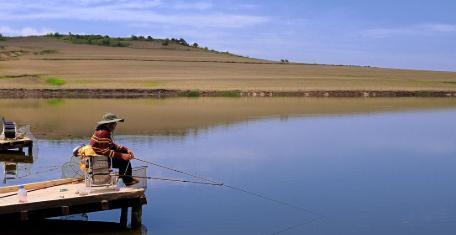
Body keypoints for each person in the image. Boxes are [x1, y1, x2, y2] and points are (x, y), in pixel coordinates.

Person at [90, 113, 139, 186]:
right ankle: (127, 180)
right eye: (114, 123)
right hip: (101, 159)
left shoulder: (102, 130)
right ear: (110, 124)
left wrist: (126, 149)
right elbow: (105, 151)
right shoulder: (104, 133)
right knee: (124, 161)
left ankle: (126, 178)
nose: (115, 125)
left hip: (101, 156)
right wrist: (122, 155)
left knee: (123, 153)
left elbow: (111, 145)